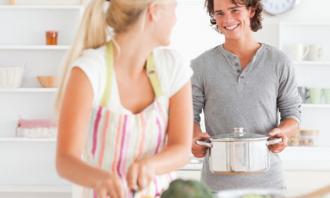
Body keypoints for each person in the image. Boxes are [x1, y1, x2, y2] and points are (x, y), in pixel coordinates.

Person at [55, 0, 193, 197]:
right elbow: (65, 160)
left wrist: (151, 165)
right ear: (154, 12)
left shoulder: (173, 67)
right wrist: (101, 178)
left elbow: (181, 149)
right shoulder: (91, 71)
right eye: (174, 8)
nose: (176, 18)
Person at [191, 0, 302, 192]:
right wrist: (195, 137)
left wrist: (283, 132)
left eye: (234, 10)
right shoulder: (201, 65)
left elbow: (293, 115)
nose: (227, 19)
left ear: (251, 10)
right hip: (215, 188)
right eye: (219, 13)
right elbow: (188, 116)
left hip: (269, 187)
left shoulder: (279, 62)